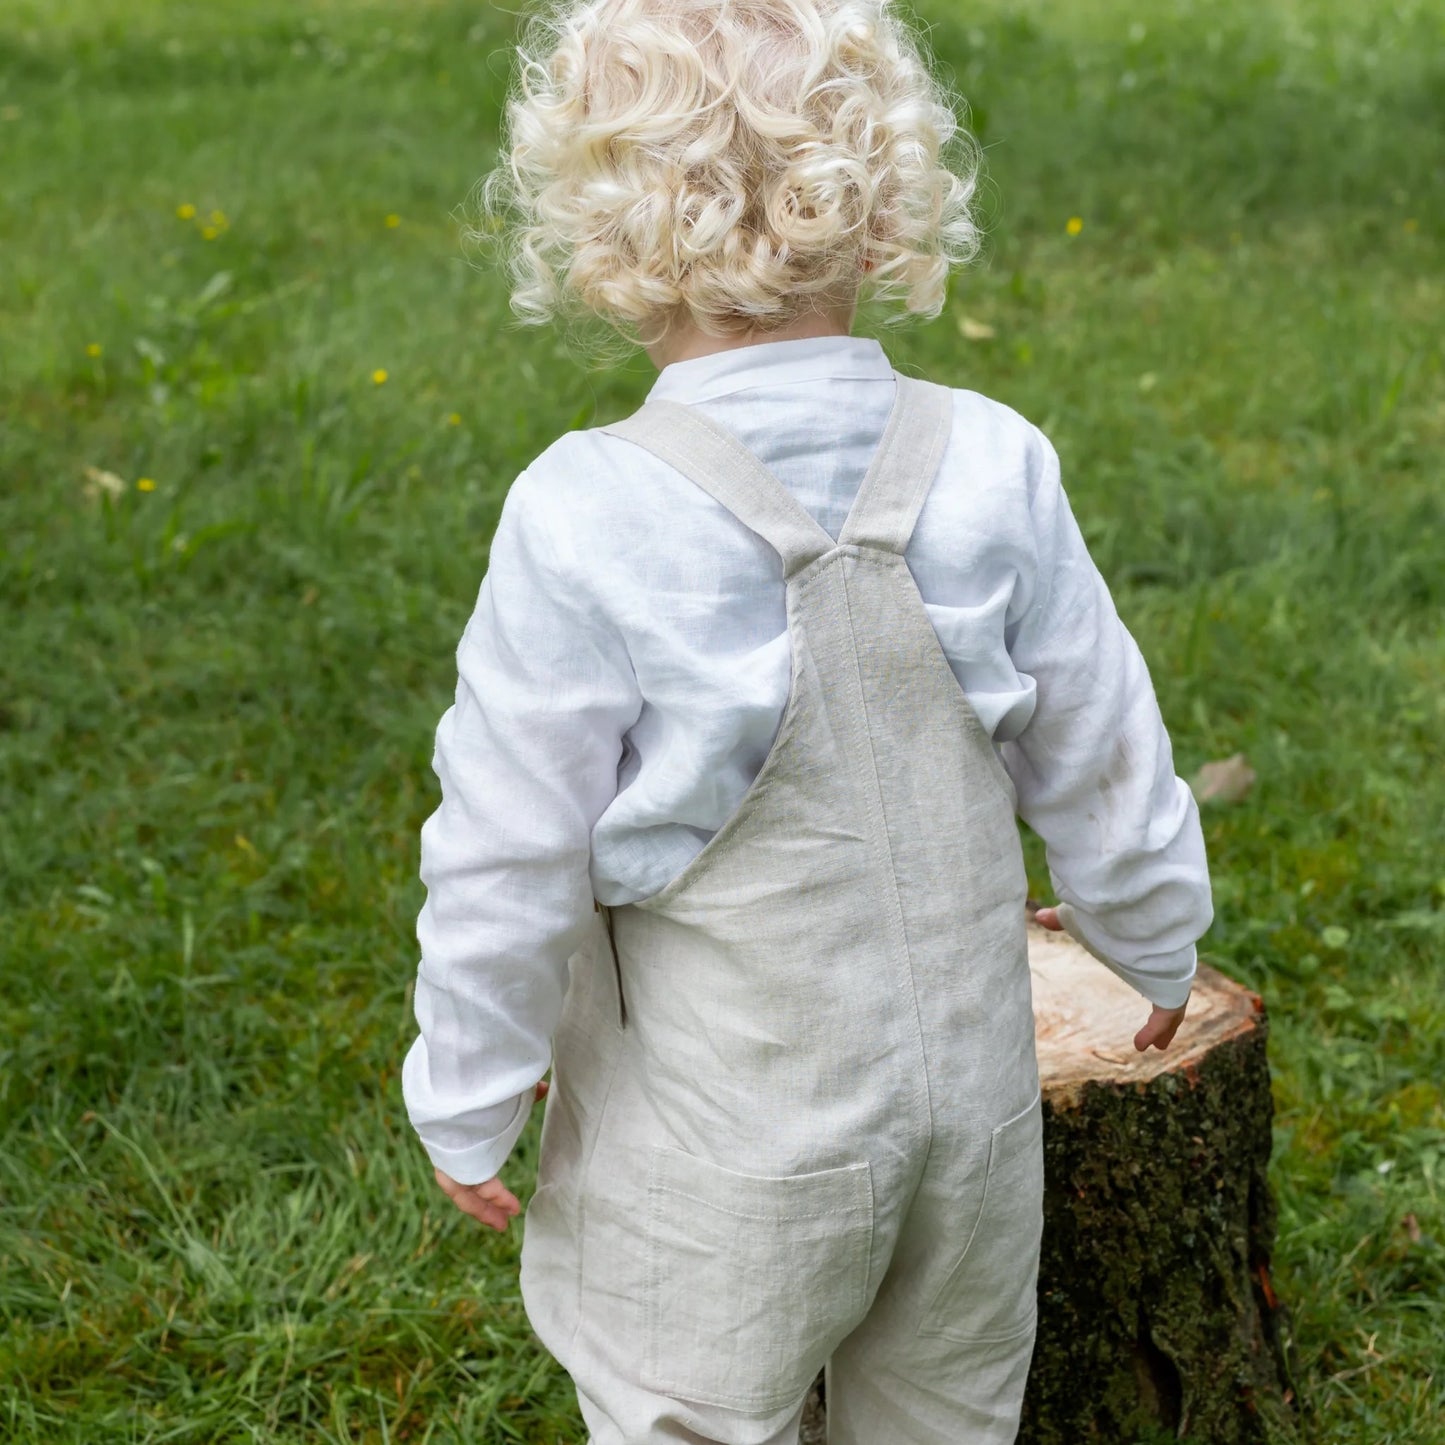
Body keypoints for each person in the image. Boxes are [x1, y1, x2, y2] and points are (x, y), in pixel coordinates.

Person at [401, 1, 1213, 1440]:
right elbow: (1103, 747)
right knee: (944, 1413)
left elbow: (505, 845)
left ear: (598, 238)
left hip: (726, 1150)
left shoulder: (586, 511)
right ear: (886, 200)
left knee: (688, 1412)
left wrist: (467, 1085)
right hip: (968, 1139)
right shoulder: (992, 462)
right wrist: (1150, 933)